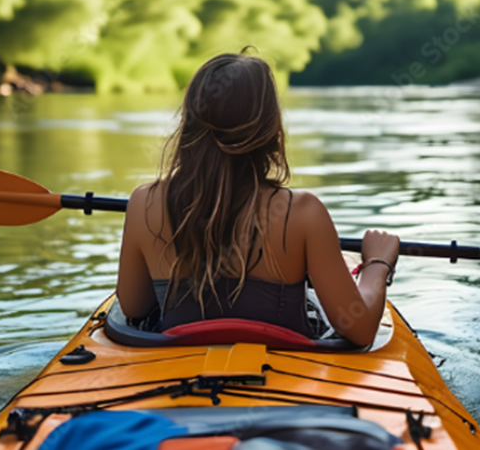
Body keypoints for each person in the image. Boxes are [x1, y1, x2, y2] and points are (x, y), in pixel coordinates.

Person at [117, 52, 399, 346]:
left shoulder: (144, 203)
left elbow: (133, 307)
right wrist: (377, 264)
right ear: (270, 129)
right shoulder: (302, 213)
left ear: (190, 120)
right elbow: (361, 329)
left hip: (178, 374)